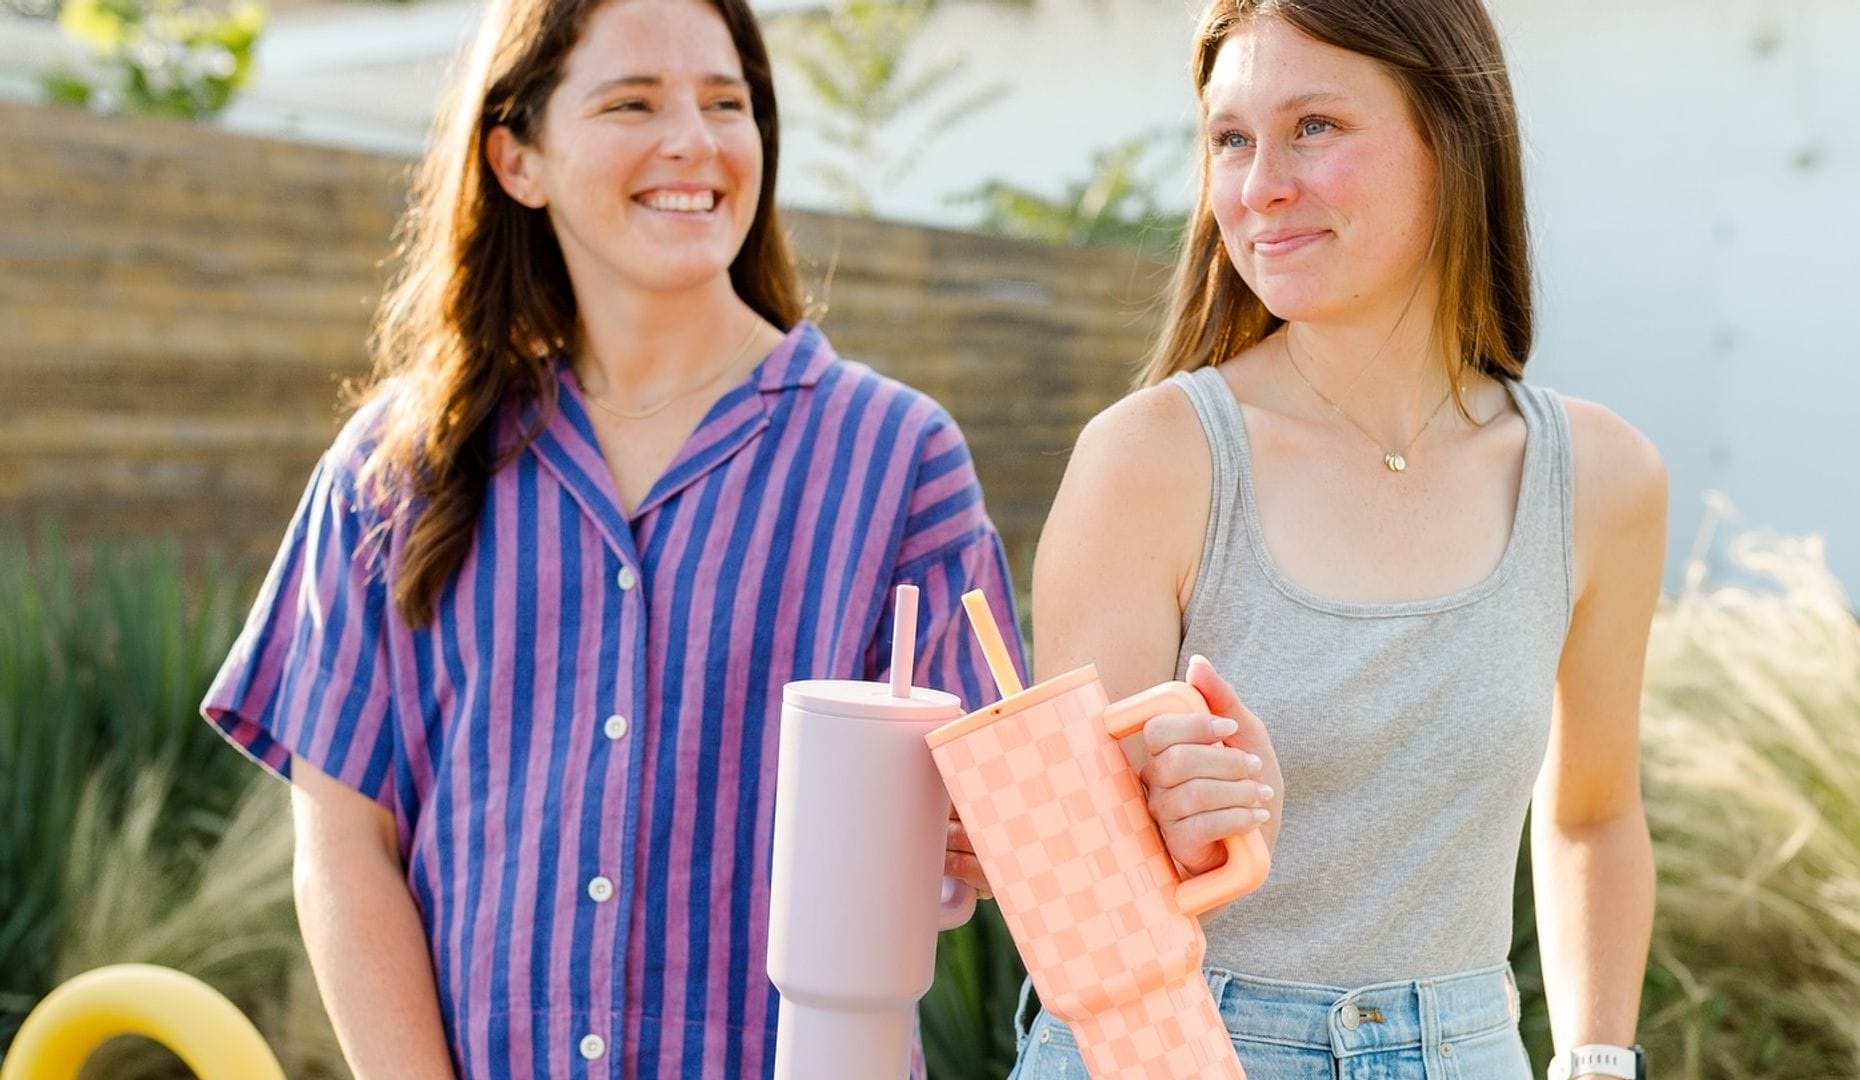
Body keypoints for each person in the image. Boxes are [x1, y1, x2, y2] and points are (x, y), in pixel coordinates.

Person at [199, 0, 1022, 1076]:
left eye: (726, 103)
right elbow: (345, 847)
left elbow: (988, 840)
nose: (694, 138)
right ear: (518, 157)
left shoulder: (899, 457)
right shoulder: (392, 468)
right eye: (633, 101)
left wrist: (1004, 828)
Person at [1000, 0, 1665, 1076]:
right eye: (1230, 138)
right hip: (1171, 1042)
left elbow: (1592, 813)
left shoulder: (1600, 480)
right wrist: (1188, 831)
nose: (1261, 185)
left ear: (1453, 139)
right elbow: (1064, 883)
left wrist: (1596, 1059)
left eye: (1315, 126)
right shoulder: (1151, 461)